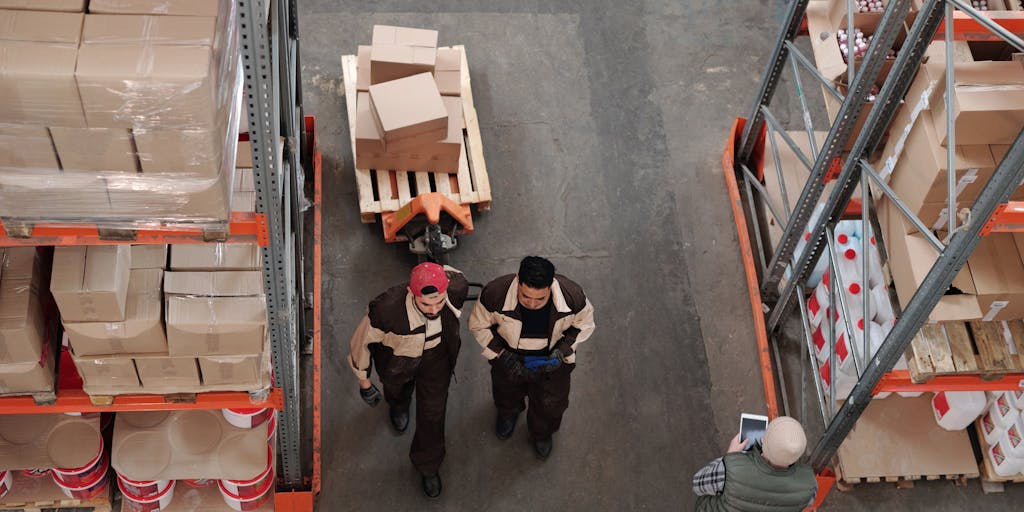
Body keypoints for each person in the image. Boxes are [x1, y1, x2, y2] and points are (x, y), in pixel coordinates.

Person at [348, 262, 468, 498]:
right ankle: (399, 404)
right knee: (397, 393)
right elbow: (361, 343)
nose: (434, 310)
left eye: (439, 302)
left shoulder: (456, 288)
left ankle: (428, 465)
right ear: (412, 294)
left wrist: (434, 268)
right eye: (426, 304)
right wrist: (364, 382)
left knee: (433, 415)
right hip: (397, 365)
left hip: (436, 362)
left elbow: (454, 273)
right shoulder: (385, 311)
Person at [469, 256, 595, 459]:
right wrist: (502, 355)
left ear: (551, 285)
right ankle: (508, 413)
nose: (532, 304)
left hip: (552, 363)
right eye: (526, 296)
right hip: (509, 357)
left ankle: (542, 432)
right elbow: (478, 325)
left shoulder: (573, 297)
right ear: (518, 280)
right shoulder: (495, 294)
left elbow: (584, 325)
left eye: (540, 299)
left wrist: (561, 351)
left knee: (551, 403)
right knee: (506, 392)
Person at [693, 416, 818, 511]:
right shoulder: (810, 487)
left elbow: (698, 485)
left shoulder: (730, 470)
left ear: (763, 440)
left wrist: (729, 457)